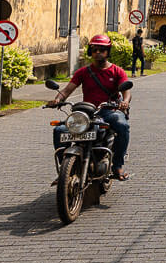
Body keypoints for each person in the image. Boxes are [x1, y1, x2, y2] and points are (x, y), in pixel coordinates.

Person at [47, 33, 132, 180]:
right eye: (94, 50)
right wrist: (57, 99)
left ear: (108, 51)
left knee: (122, 125)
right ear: (90, 52)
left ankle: (117, 165)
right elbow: (67, 90)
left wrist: (124, 102)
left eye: (102, 49)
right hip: (86, 113)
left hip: (108, 111)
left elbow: (127, 93)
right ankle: (65, 171)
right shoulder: (83, 72)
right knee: (59, 130)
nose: (98, 53)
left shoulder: (117, 71)